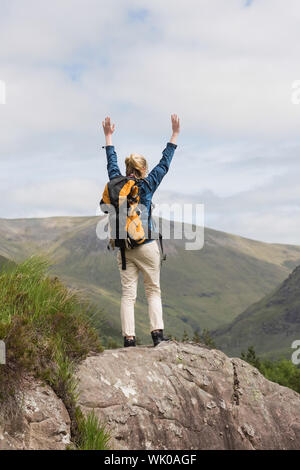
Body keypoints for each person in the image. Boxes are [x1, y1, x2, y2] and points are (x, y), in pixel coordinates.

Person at [101, 114, 180, 347]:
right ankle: (157, 336)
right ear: (143, 169)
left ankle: (129, 339)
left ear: (127, 169)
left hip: (124, 249)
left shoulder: (117, 182)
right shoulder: (147, 184)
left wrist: (108, 136)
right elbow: (164, 164)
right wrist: (174, 135)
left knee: (128, 295)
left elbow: (110, 163)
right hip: (146, 245)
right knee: (153, 290)